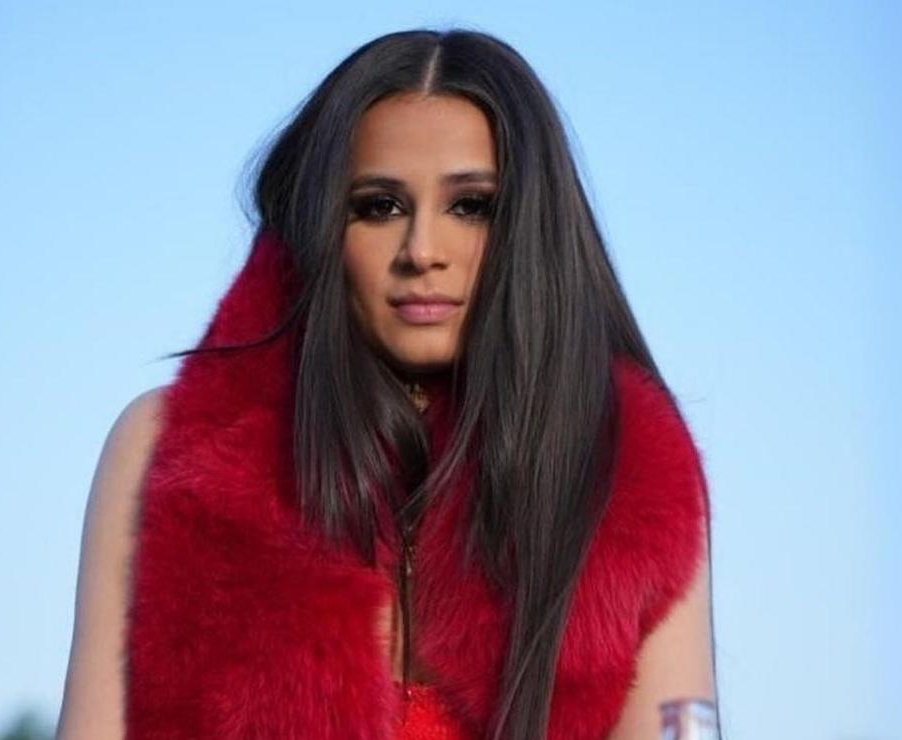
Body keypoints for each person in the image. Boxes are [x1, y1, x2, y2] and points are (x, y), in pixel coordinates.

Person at [58, 27, 716, 740]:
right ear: (322, 226)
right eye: (379, 206)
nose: (422, 251)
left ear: (531, 227)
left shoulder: (634, 475)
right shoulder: (165, 449)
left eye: (472, 206)